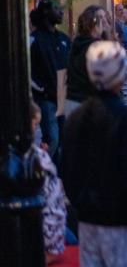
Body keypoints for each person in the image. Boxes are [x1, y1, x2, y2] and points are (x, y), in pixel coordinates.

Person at [62, 40, 127, 266]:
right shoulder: (126, 119)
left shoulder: (75, 118)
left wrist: (82, 205)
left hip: (88, 221)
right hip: (121, 221)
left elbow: (69, 170)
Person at [29, 0, 70, 160]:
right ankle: (41, 170)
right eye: (56, 8)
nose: (61, 12)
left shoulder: (64, 39)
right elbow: (27, 68)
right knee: (52, 139)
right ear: (46, 11)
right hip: (46, 99)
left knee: (64, 141)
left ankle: (58, 176)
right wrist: (40, 87)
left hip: (63, 97)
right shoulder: (35, 39)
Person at [29, 101, 67, 262]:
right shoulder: (36, 157)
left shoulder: (36, 158)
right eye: (35, 125)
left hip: (46, 240)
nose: (35, 130)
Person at [65, 5, 110, 114]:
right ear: (91, 22)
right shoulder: (93, 47)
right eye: (99, 17)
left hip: (75, 101)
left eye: (104, 16)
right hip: (86, 103)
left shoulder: (79, 43)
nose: (104, 20)